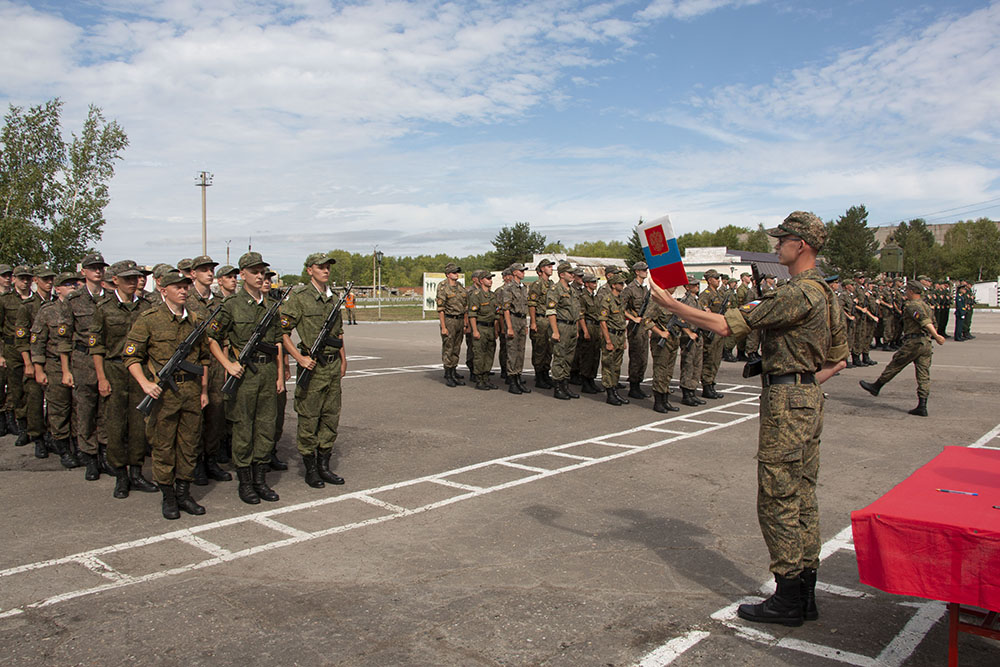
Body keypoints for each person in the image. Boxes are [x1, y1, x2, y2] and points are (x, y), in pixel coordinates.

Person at [648, 211, 847, 627]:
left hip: (787, 401)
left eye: (783, 239)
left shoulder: (798, 292)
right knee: (802, 495)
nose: (777, 246)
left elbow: (726, 325)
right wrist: (803, 382)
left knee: (777, 497)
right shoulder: (828, 294)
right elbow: (839, 360)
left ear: (801, 245)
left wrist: (672, 305)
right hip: (808, 397)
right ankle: (805, 593)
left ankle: (788, 597)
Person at [125, 268, 211, 520]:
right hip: (164, 394)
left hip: (191, 390)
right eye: (177, 287)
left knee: (189, 445)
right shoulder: (149, 319)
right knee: (163, 446)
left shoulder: (196, 320)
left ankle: (184, 493)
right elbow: (131, 356)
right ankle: (168, 496)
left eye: (185, 287)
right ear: (163, 290)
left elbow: (204, 358)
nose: (183, 291)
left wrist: (204, 390)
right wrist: (144, 383)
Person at [209, 252, 285, 504]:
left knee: (266, 426)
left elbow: (277, 342)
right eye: (254, 272)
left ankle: (260, 480)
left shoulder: (271, 306)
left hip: (267, 372)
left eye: (262, 271)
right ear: (242, 274)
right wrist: (228, 364)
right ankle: (245, 483)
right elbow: (211, 338)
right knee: (243, 427)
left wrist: (280, 377)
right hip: (244, 375)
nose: (260, 276)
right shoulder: (231, 305)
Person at [90, 260, 156, 498]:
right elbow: (97, 346)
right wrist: (101, 378)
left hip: (140, 371)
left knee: (139, 424)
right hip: (115, 370)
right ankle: (120, 475)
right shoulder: (103, 308)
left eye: (135, 278)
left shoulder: (147, 307)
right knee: (116, 425)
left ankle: (136, 473)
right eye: (127, 278)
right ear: (115, 280)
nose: (133, 282)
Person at [280, 252, 347, 488]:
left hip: (332, 365)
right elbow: (282, 332)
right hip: (313, 367)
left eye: (328, 267)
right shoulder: (299, 298)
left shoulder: (334, 298)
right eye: (320, 267)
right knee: (309, 418)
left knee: (330, 416)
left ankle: (324, 466)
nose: (325, 270)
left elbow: (339, 333)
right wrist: (299, 358)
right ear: (310, 270)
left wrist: (344, 359)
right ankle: (310, 469)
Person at [859, 282, 944, 416]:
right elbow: (933, 322)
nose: (906, 292)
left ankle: (876, 386)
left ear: (912, 291)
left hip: (914, 342)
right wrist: (933, 335)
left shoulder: (913, 306)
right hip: (925, 342)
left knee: (895, 364)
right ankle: (922, 405)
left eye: (907, 290)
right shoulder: (926, 305)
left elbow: (925, 321)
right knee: (923, 374)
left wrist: (937, 336)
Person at [65, 253, 112, 479]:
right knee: (85, 411)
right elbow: (64, 339)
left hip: (106, 359)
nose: (98, 271)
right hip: (83, 361)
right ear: (83, 272)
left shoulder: (110, 297)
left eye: (100, 267)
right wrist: (66, 370)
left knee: (105, 410)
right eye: (93, 268)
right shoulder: (73, 300)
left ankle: (104, 454)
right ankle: (90, 458)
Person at [29, 272, 82, 468]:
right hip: (54, 365)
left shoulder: (80, 308)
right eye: (67, 284)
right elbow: (37, 342)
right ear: (58, 289)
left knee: (78, 409)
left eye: (74, 283)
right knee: (59, 408)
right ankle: (63, 449)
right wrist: (38, 369)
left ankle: (79, 447)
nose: (73, 287)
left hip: (77, 364)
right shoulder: (48, 311)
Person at [187, 255, 231, 484]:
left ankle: (210, 460)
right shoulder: (186, 300)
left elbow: (224, 337)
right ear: (193, 273)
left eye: (211, 269)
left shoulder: (218, 303)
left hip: (215, 364)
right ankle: (194, 463)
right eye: (204, 269)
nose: (209, 273)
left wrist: (225, 365)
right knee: (195, 417)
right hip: (193, 365)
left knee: (216, 415)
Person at [15, 265, 54, 455]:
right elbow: (21, 338)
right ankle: (37, 436)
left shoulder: (57, 303)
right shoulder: (28, 306)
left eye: (51, 279)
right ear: (36, 280)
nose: (49, 283)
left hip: (52, 359)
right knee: (35, 400)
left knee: (55, 401)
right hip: (33, 357)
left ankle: (52, 436)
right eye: (45, 279)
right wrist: (28, 363)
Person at [1, 265, 36, 443]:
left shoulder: (37, 300)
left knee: (34, 390)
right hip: (12, 349)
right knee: (17, 390)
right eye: (22, 278)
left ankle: (36, 427)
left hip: (33, 349)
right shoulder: (5, 300)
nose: (25, 282)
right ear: (15, 279)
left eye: (28, 278)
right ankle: (22, 426)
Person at [546, 262, 582, 400]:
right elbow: (551, 311)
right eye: (570, 273)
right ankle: (558, 387)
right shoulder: (555, 289)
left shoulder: (572, 290)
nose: (572, 275)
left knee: (569, 358)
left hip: (572, 327)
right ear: (562, 274)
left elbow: (576, 311)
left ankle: (565, 386)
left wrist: (576, 329)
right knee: (560, 357)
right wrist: (555, 331)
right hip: (561, 326)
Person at [643, 295, 680, 413]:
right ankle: (658, 402)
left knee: (668, 372)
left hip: (673, 340)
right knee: (660, 371)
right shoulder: (657, 302)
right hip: (661, 342)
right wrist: (660, 332)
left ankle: (665, 400)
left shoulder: (672, 302)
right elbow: (647, 320)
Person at [598, 273, 630, 406]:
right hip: (611, 335)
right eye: (620, 283)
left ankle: (615, 390)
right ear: (613, 285)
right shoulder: (607, 300)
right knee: (608, 365)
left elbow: (621, 319)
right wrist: (608, 341)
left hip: (620, 335)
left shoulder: (620, 299)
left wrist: (624, 340)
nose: (623, 285)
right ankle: (610, 393)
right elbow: (603, 322)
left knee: (617, 365)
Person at [622, 261, 651, 400]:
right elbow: (620, 308)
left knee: (644, 358)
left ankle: (638, 383)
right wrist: (633, 318)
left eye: (646, 270)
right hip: (635, 328)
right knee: (636, 357)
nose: (646, 272)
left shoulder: (645, 289)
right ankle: (633, 386)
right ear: (637, 272)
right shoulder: (629, 289)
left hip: (644, 327)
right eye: (643, 270)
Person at [500, 263, 530, 394]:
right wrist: (509, 327)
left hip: (522, 320)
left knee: (520, 350)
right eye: (521, 271)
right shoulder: (508, 288)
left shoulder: (523, 288)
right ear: (514, 273)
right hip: (513, 319)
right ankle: (512, 380)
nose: (523, 273)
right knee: (512, 351)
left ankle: (518, 378)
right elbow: (506, 309)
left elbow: (525, 307)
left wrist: (526, 324)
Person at [437, 262, 467, 387]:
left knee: (456, 347)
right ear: (448, 274)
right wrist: (443, 327)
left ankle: (453, 371)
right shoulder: (443, 287)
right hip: (449, 320)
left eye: (457, 272)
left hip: (460, 319)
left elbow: (465, 305)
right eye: (454, 272)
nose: (456, 274)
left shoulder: (460, 286)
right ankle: (448, 373)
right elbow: (441, 309)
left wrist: (465, 323)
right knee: (448, 347)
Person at [467, 270, 499, 390]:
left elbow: (496, 314)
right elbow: (472, 315)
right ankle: (479, 379)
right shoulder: (476, 295)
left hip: (490, 328)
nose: (490, 281)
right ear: (481, 281)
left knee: (489, 354)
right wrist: (475, 331)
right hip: (480, 327)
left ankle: (486, 378)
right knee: (479, 355)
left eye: (491, 278)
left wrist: (496, 330)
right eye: (488, 278)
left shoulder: (493, 296)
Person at [677, 275, 706, 407]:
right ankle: (686, 393)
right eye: (694, 285)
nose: (697, 287)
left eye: (697, 284)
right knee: (688, 365)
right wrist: (688, 333)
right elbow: (680, 319)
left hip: (698, 335)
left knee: (697, 365)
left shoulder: (697, 301)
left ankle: (692, 391)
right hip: (689, 337)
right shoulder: (685, 301)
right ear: (687, 287)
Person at [698, 269, 727, 399]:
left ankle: (712, 383)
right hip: (710, 331)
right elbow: (701, 311)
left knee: (716, 358)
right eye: (716, 278)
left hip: (719, 330)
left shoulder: (719, 294)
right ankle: (706, 385)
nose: (718, 280)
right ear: (709, 280)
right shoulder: (706, 295)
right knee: (709, 358)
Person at [528, 258, 555, 389]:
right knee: (540, 349)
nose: (551, 268)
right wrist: (533, 322)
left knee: (549, 349)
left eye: (551, 266)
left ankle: (545, 374)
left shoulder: (551, 284)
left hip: (550, 320)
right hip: (540, 319)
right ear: (542, 269)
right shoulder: (537, 284)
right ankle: (539, 376)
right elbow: (532, 304)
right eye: (548, 266)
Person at [577, 274, 602, 394]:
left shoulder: (595, 297)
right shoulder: (583, 297)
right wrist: (585, 331)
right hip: (588, 326)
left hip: (596, 327)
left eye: (595, 282)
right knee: (587, 355)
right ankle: (585, 382)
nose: (595, 284)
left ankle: (591, 379)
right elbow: (581, 315)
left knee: (595, 355)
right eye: (592, 282)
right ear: (586, 283)